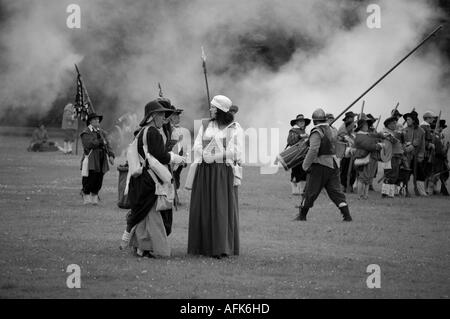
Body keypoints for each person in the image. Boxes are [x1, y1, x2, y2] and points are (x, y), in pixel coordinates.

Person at [120, 100, 185, 257]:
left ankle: (139, 247)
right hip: (150, 179)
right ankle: (147, 248)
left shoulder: (142, 131)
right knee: (150, 216)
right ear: (152, 116)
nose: (164, 118)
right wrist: (177, 158)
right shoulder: (153, 132)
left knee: (144, 214)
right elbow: (161, 156)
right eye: (161, 114)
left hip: (143, 177)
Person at [188, 95, 244, 258]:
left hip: (222, 172)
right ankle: (201, 246)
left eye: (213, 107)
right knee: (203, 206)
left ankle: (220, 247)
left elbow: (237, 151)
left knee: (220, 208)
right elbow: (197, 144)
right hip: (204, 170)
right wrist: (204, 153)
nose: (210, 109)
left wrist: (218, 155)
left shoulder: (234, 128)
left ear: (220, 110)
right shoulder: (205, 124)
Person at [295, 108, 352, 222]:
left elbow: (313, 150)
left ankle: (302, 216)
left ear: (315, 121)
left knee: (310, 191)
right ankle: (347, 216)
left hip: (320, 165)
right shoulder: (332, 130)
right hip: (333, 165)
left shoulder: (317, 132)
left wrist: (305, 165)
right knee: (336, 192)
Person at [80, 113, 115, 205]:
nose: (97, 121)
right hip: (91, 158)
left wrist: (111, 155)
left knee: (99, 179)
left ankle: (94, 196)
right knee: (90, 178)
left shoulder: (102, 132)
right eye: (94, 119)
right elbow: (88, 144)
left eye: (97, 119)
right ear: (90, 122)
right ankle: (86, 195)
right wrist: (100, 141)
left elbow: (108, 145)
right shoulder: (86, 132)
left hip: (102, 157)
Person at [353, 119, 385, 199]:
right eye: (365, 125)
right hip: (364, 158)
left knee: (369, 178)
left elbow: (374, 140)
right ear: (362, 126)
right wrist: (379, 146)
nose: (367, 126)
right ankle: (360, 195)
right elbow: (369, 146)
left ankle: (365, 195)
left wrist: (379, 139)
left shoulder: (367, 135)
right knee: (362, 178)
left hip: (372, 158)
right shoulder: (360, 136)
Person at [402, 110, 426, 196]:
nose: (407, 121)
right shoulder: (404, 130)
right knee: (405, 174)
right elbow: (403, 142)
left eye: (408, 119)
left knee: (419, 174)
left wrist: (420, 156)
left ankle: (420, 192)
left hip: (417, 156)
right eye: (407, 119)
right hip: (406, 156)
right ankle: (404, 191)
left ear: (413, 120)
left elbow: (419, 144)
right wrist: (405, 149)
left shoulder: (421, 131)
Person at [287, 114, 311, 195]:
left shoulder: (305, 132)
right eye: (300, 121)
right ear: (296, 122)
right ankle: (295, 190)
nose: (301, 122)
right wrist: (300, 136)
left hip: (303, 155)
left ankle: (301, 190)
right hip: (295, 155)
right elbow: (291, 141)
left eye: (303, 121)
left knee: (303, 172)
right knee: (295, 172)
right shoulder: (293, 131)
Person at [381, 116, 404, 198]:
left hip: (395, 156)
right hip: (390, 156)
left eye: (395, 123)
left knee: (394, 175)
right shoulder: (385, 132)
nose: (395, 125)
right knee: (390, 175)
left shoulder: (393, 132)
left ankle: (390, 193)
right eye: (393, 123)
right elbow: (394, 141)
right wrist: (399, 134)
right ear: (389, 125)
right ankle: (385, 193)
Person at [338, 111, 357, 192]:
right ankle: (344, 186)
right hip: (344, 154)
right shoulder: (343, 130)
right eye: (351, 126)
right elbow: (341, 140)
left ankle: (350, 185)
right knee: (344, 170)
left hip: (353, 155)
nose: (352, 128)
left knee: (353, 171)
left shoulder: (353, 134)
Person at [420, 111, 436, 193]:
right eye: (432, 118)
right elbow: (422, 139)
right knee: (423, 170)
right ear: (427, 118)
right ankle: (422, 189)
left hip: (427, 152)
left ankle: (424, 189)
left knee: (426, 171)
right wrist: (429, 144)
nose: (433, 119)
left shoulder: (427, 126)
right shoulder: (423, 126)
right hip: (424, 152)